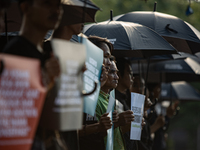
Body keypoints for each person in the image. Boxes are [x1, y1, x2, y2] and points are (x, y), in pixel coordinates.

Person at [3, 0, 63, 149]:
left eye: (59, 5)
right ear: (26, 8)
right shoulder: (16, 53)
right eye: (47, 4)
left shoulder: (46, 54)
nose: (56, 11)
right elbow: (15, 113)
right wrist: (46, 83)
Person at [78, 36, 116, 150]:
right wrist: (97, 127)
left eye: (109, 58)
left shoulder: (102, 92)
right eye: (105, 57)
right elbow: (69, 131)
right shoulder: (79, 87)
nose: (109, 63)